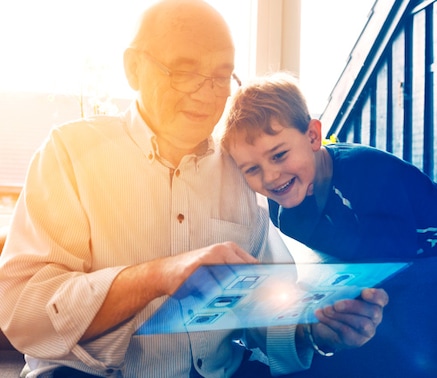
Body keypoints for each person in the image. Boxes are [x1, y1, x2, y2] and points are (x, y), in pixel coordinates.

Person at [0, 3, 388, 377]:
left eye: (222, 76)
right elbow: (21, 311)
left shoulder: (242, 171)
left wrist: (317, 330)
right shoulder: (69, 154)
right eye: (184, 72)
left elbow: (265, 306)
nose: (207, 94)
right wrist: (157, 277)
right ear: (134, 69)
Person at [222, 71, 437, 376]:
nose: (270, 176)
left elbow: (389, 270)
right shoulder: (283, 204)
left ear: (312, 136)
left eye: (279, 155)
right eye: (252, 168)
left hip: (422, 260)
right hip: (381, 269)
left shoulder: (369, 176)